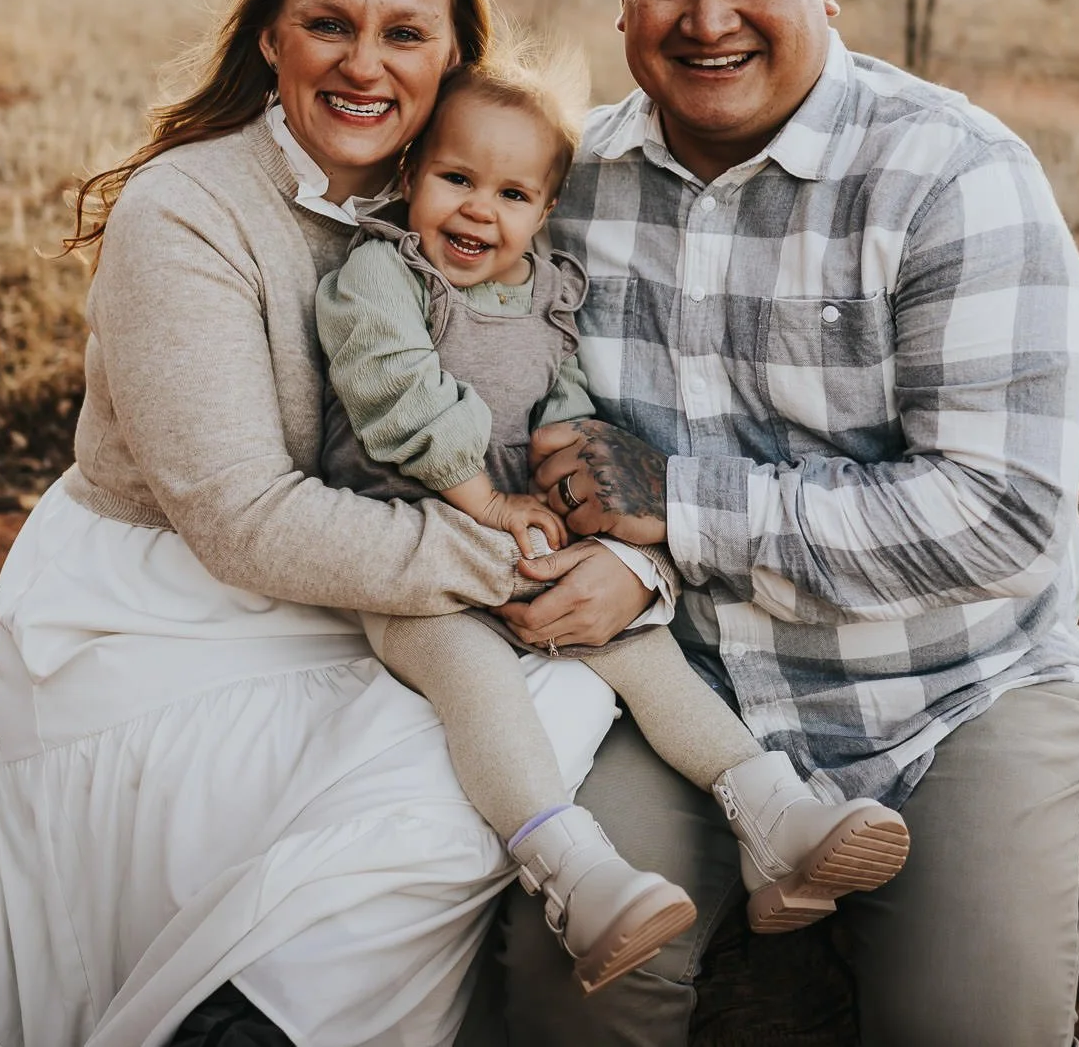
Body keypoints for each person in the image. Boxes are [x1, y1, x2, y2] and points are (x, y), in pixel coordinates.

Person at [0, 0, 668, 1047]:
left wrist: (627, 557)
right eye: (328, 24)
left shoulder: (478, 199)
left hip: (361, 589)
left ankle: (264, 1011)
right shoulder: (187, 210)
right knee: (452, 755)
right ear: (272, 37)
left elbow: (561, 405)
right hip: (163, 609)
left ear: (454, 59)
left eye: (404, 32)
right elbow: (242, 519)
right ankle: (244, 1023)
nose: (362, 63)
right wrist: (516, 554)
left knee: (539, 705)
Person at [497, 0, 1079, 1047]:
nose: (706, 16)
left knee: (969, 1029)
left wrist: (676, 501)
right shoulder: (571, 189)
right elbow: (536, 439)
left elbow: (1001, 518)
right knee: (572, 990)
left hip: (948, 692)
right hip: (689, 694)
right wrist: (611, 548)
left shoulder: (956, 178)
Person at [314, 52, 909, 997]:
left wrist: (578, 508)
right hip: (410, 546)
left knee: (639, 642)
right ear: (409, 174)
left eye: (511, 193)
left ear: (544, 211)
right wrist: (494, 506)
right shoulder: (381, 276)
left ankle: (773, 816)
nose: (478, 211)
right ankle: (575, 874)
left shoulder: (546, 291)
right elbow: (401, 395)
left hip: (523, 533)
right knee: (476, 682)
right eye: (456, 178)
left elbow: (567, 409)